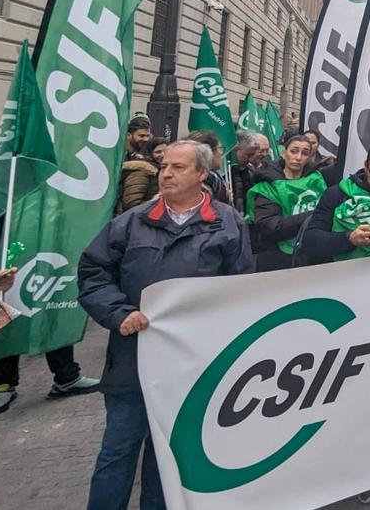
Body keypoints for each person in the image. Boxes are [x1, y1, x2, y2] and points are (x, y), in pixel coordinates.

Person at [78, 141, 252, 509]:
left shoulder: (228, 224)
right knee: (117, 451)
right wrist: (119, 312)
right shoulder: (131, 222)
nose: (167, 174)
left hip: (190, 365)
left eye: (178, 168)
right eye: (164, 167)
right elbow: (93, 274)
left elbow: (241, 289)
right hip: (131, 361)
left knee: (167, 457)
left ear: (202, 174)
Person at [295, 142, 370, 265]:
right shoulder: (338, 194)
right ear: (366, 167)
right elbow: (310, 240)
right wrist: (349, 238)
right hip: (336, 274)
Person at [247, 134, 329, 272]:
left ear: (309, 157)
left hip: (312, 256)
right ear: (284, 153)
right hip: (276, 259)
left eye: (304, 153)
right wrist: (312, 216)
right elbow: (270, 227)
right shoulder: (268, 186)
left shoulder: (317, 181)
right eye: (293, 151)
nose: (298, 157)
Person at [185, 130, 231, 205]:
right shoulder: (210, 177)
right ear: (209, 152)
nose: (221, 153)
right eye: (220, 148)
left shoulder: (185, 174)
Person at [116, 141, 159, 213]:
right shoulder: (141, 172)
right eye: (158, 152)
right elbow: (132, 205)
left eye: (167, 151)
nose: (163, 154)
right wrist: (155, 202)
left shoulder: (159, 171)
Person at [229, 129, 261, 219]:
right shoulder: (221, 174)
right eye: (248, 154)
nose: (251, 159)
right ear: (235, 150)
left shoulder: (250, 171)